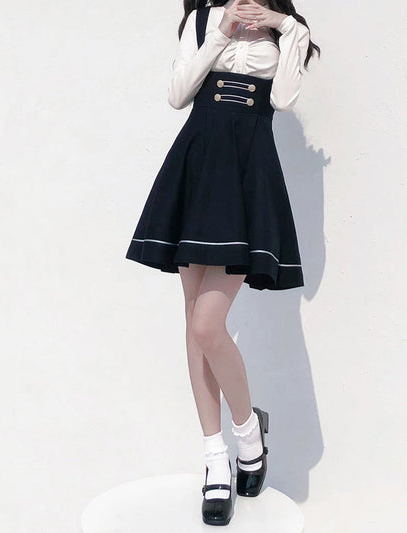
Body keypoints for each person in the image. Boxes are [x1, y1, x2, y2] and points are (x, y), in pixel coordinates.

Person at [125, 0, 319, 525]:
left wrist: (283, 26)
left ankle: (247, 433)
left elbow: (283, 99)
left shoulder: (287, 32)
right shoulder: (203, 21)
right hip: (198, 163)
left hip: (247, 171)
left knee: (208, 326)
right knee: (194, 321)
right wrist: (222, 32)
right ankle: (216, 457)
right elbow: (177, 94)